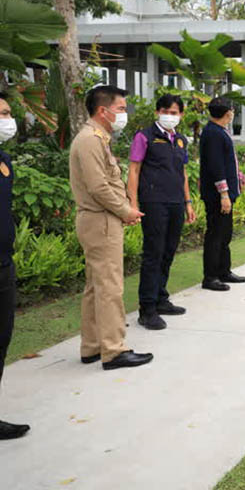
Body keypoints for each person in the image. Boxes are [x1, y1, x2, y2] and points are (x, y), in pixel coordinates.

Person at [69, 86, 152, 370]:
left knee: (96, 286)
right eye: (121, 109)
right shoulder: (90, 140)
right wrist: (125, 210)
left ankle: (93, 346)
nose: (124, 114)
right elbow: (99, 187)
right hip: (100, 220)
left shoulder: (96, 138)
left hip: (100, 219)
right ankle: (114, 350)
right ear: (103, 111)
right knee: (109, 287)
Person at [127, 94, 195, 330]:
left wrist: (188, 202)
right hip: (153, 202)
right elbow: (134, 170)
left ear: (181, 115)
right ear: (157, 112)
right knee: (153, 253)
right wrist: (133, 203)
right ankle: (147, 309)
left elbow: (182, 173)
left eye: (174, 112)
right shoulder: (144, 137)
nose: (169, 116)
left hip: (176, 202)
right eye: (165, 111)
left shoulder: (180, 140)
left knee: (168, 251)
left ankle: (161, 298)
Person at [0, 93, 29, 438]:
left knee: (2, 339)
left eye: (8, 113)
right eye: (2, 114)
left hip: (4, 264)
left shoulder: (5, 159)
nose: (8, 120)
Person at [199, 97, 245, 291]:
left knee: (225, 233)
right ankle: (210, 277)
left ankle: (223, 270)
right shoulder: (213, 134)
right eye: (232, 110)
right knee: (216, 235)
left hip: (223, 194)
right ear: (228, 113)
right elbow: (216, 167)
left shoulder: (219, 131)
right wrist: (224, 194)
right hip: (217, 195)